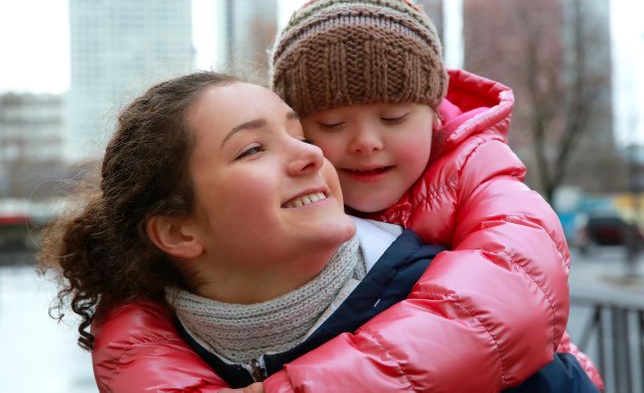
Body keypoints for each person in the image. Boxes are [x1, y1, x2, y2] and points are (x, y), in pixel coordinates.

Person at [39, 72, 600, 393]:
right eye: (253, 148)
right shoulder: (161, 359)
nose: (310, 154)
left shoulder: (480, 337)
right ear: (177, 232)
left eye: (299, 133)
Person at [269, 0, 603, 391]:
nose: (366, 143)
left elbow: (511, 296)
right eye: (333, 124)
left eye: (393, 119)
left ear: (435, 117)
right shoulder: (280, 197)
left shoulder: (481, 177)